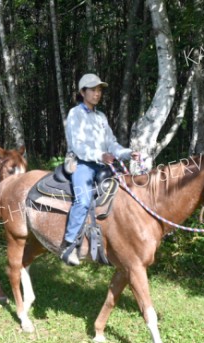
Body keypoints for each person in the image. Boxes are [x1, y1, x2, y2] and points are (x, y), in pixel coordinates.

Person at [60, 73, 140, 265]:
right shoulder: (75, 114)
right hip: (82, 164)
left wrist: (127, 153)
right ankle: (69, 245)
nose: (97, 94)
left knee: (125, 193)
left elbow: (111, 143)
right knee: (83, 199)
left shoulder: (101, 117)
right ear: (82, 92)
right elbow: (77, 146)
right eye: (93, 90)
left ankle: (118, 243)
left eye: (99, 90)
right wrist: (100, 155)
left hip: (102, 164)